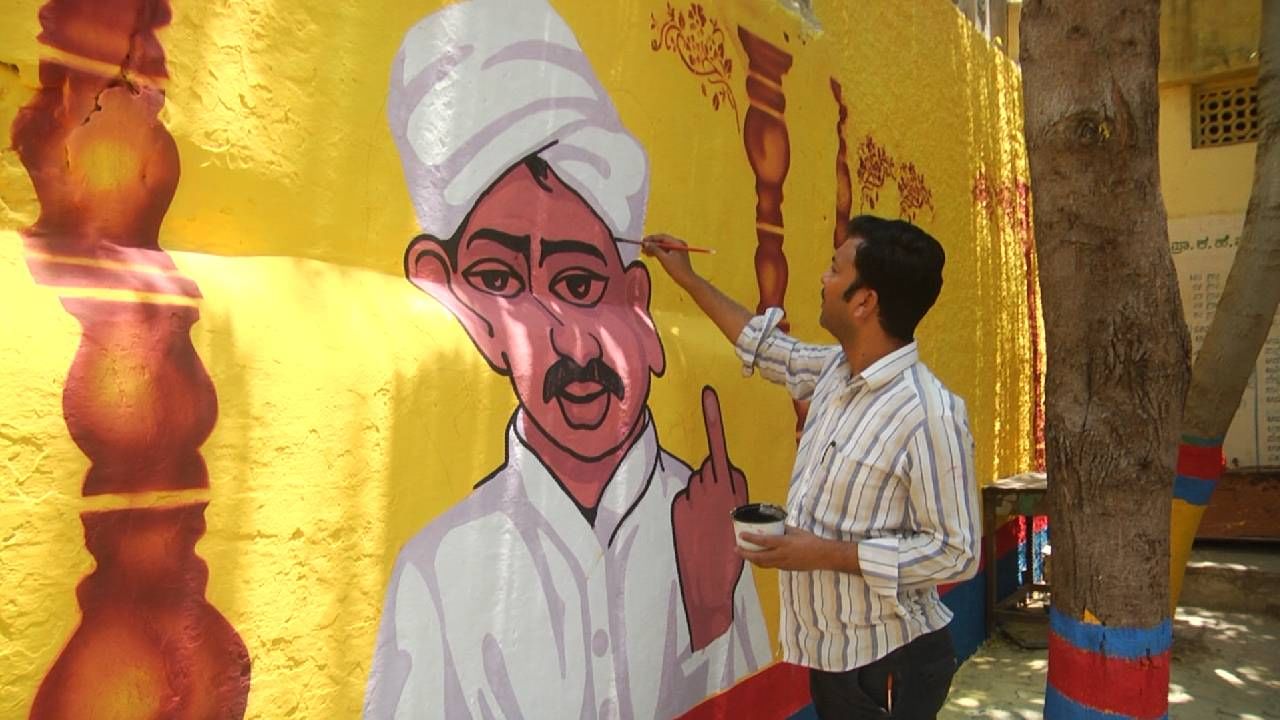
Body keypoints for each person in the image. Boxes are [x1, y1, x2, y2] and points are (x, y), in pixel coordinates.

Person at [364, 2, 767, 718]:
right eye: (501, 284)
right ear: (463, 307)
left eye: (582, 286)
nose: (571, 344)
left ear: (638, 302)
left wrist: (711, 606)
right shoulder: (438, 571)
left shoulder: (708, 520)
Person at [644, 215, 980, 719]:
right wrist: (687, 277)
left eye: (834, 270)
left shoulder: (928, 414)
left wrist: (821, 552)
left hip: (890, 663)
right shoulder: (835, 372)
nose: (822, 279)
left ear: (864, 302)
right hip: (837, 658)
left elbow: (957, 553)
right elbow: (765, 347)